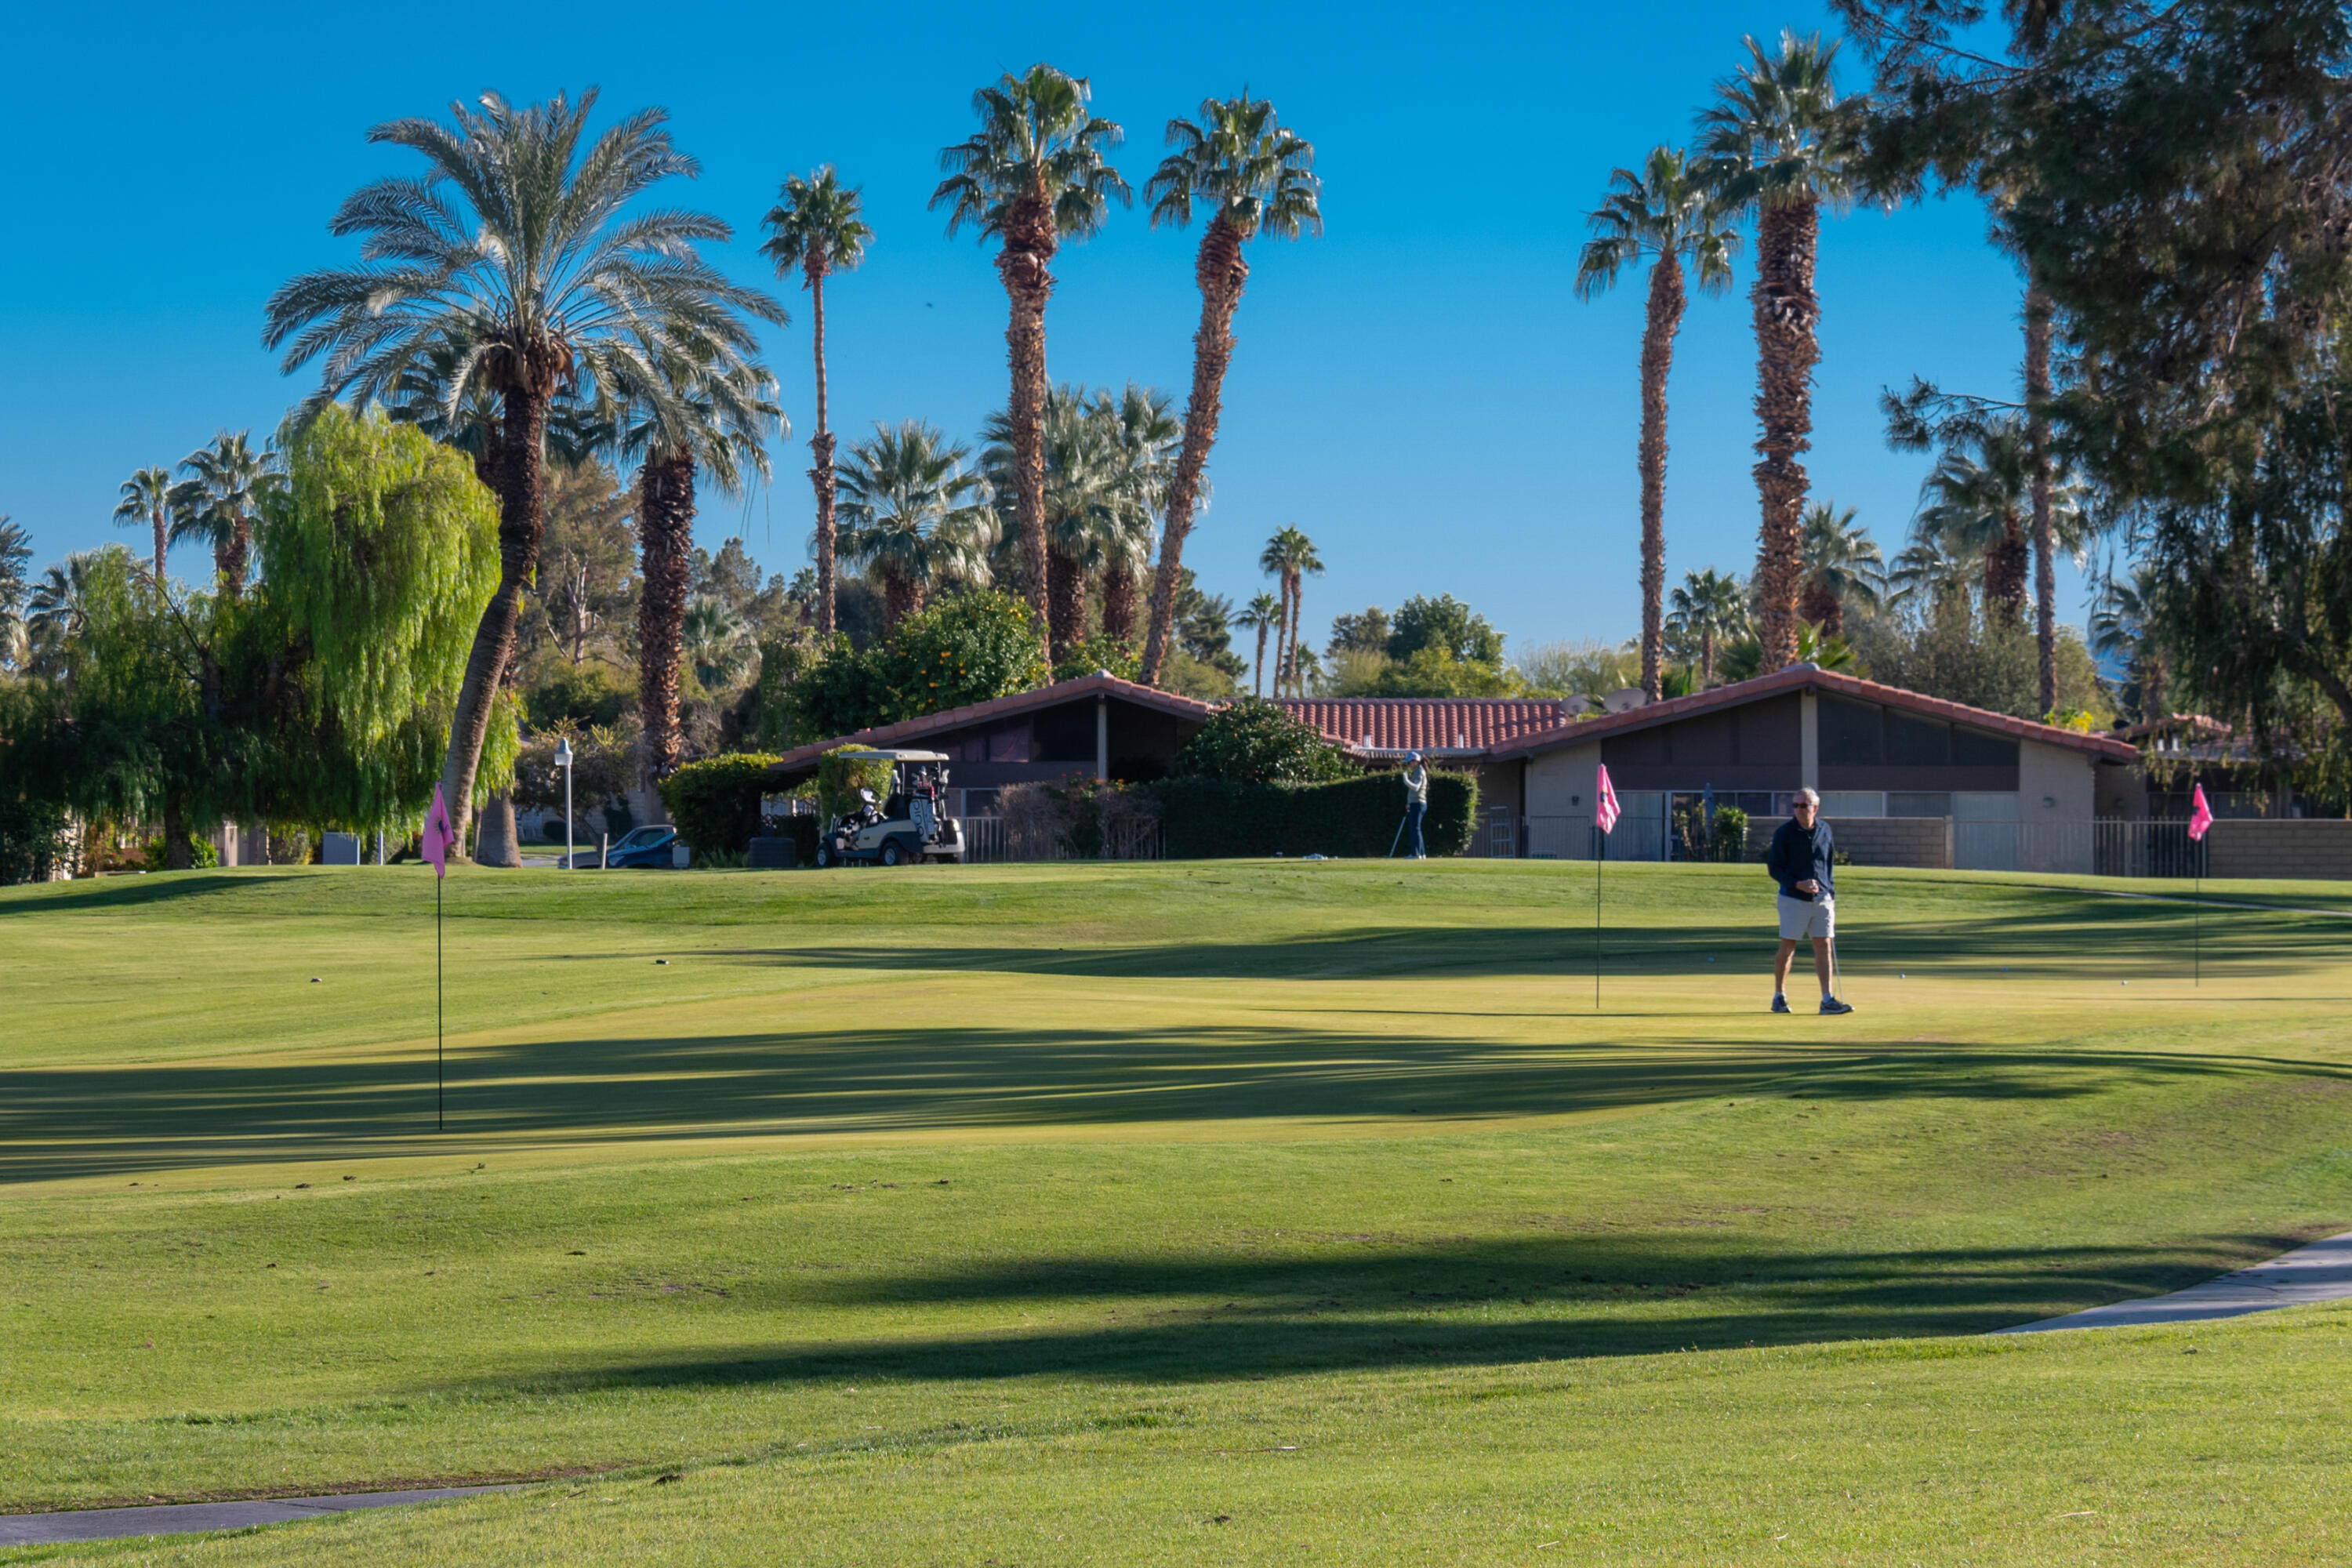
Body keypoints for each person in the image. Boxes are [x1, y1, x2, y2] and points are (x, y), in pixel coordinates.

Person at [1766, 788, 1853, 1014]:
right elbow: (1774, 868)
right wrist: (1797, 884)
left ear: (1815, 808)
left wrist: (1831, 893)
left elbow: (1828, 864)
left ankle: (1827, 999)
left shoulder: (1825, 829)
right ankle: (1779, 995)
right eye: (1795, 806)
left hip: (1822, 898)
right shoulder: (1784, 833)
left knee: (1823, 945)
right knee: (1788, 946)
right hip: (1792, 898)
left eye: (1803, 806)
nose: (1798, 810)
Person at [1400, 751, 1429, 858]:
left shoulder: (1419, 772)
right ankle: (1421, 853)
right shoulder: (1417, 771)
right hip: (1415, 803)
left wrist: (1406, 780)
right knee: (1416, 829)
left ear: (1416, 762)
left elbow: (1416, 788)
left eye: (1409, 762)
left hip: (1418, 803)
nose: (1408, 765)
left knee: (1415, 829)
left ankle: (1416, 854)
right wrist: (1409, 802)